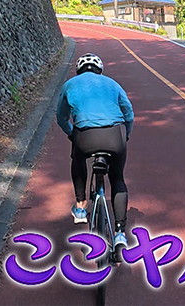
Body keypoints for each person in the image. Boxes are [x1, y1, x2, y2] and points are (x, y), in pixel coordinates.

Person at [56, 53, 134, 250]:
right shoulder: (112, 83)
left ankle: (81, 206)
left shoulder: (69, 84)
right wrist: (126, 135)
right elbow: (129, 113)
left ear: (79, 70)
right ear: (100, 70)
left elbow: (61, 118)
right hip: (114, 135)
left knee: (78, 159)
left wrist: (72, 134)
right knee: (117, 179)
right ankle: (119, 234)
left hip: (85, 136)